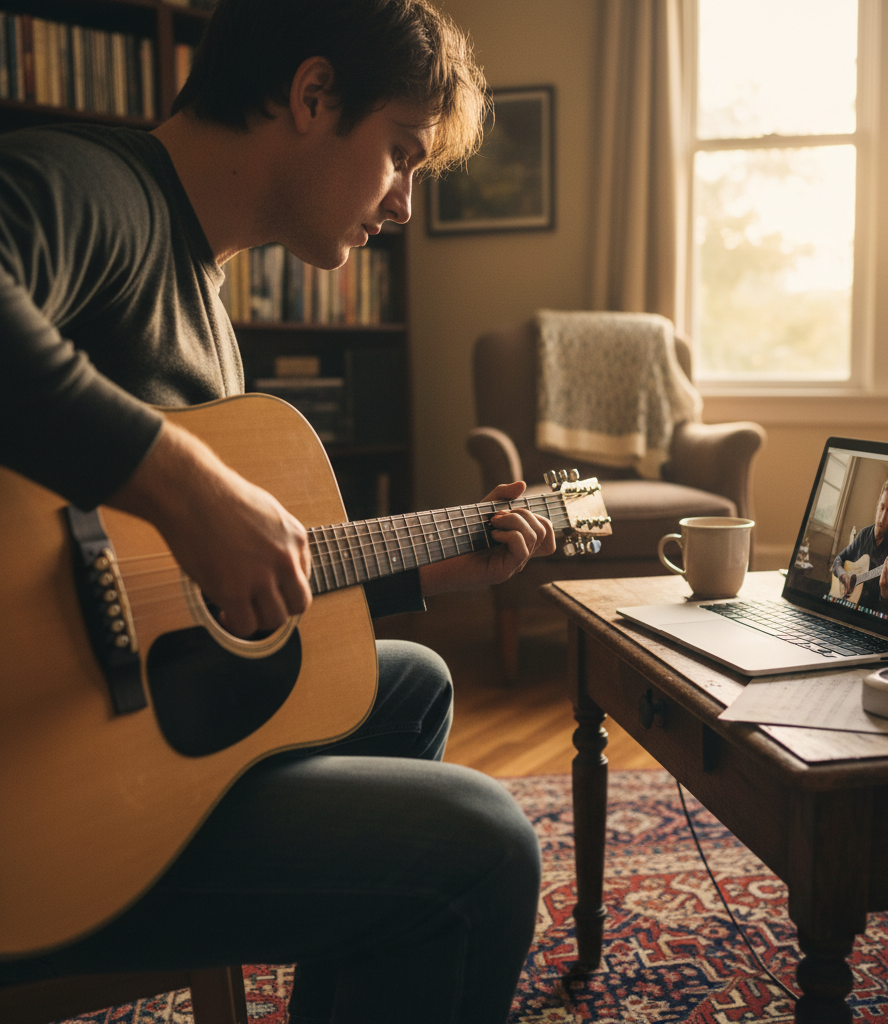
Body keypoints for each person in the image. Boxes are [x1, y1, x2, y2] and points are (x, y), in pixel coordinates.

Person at [0, 1, 556, 1021]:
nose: (402, 206)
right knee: (480, 846)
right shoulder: (96, 188)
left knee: (413, 685)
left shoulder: (206, 302)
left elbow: (179, 586)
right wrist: (186, 482)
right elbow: (176, 512)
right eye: (400, 154)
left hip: (105, 724)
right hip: (26, 815)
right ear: (311, 96)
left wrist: (432, 565)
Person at [831, 476, 888, 617]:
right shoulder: (864, 534)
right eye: (881, 507)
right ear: (877, 504)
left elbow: (887, 611)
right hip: (845, 607)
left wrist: (885, 594)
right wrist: (844, 577)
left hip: (866, 618)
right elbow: (837, 561)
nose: (882, 518)